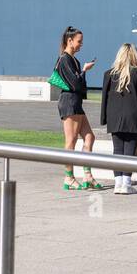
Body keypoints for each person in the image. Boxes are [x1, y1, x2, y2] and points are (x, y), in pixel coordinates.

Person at [55, 26, 101, 191]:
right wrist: (83, 71)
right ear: (70, 41)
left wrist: (82, 71)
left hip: (76, 102)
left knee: (89, 137)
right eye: (79, 41)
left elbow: (80, 85)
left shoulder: (74, 60)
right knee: (71, 141)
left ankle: (87, 175)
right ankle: (69, 177)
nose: (81, 44)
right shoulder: (64, 59)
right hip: (69, 102)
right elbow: (74, 84)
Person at [100, 43, 137, 195]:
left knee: (117, 149)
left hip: (114, 115)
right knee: (130, 149)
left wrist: (104, 117)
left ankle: (118, 183)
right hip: (134, 115)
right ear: (134, 56)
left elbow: (105, 97)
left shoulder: (109, 74)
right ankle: (126, 183)